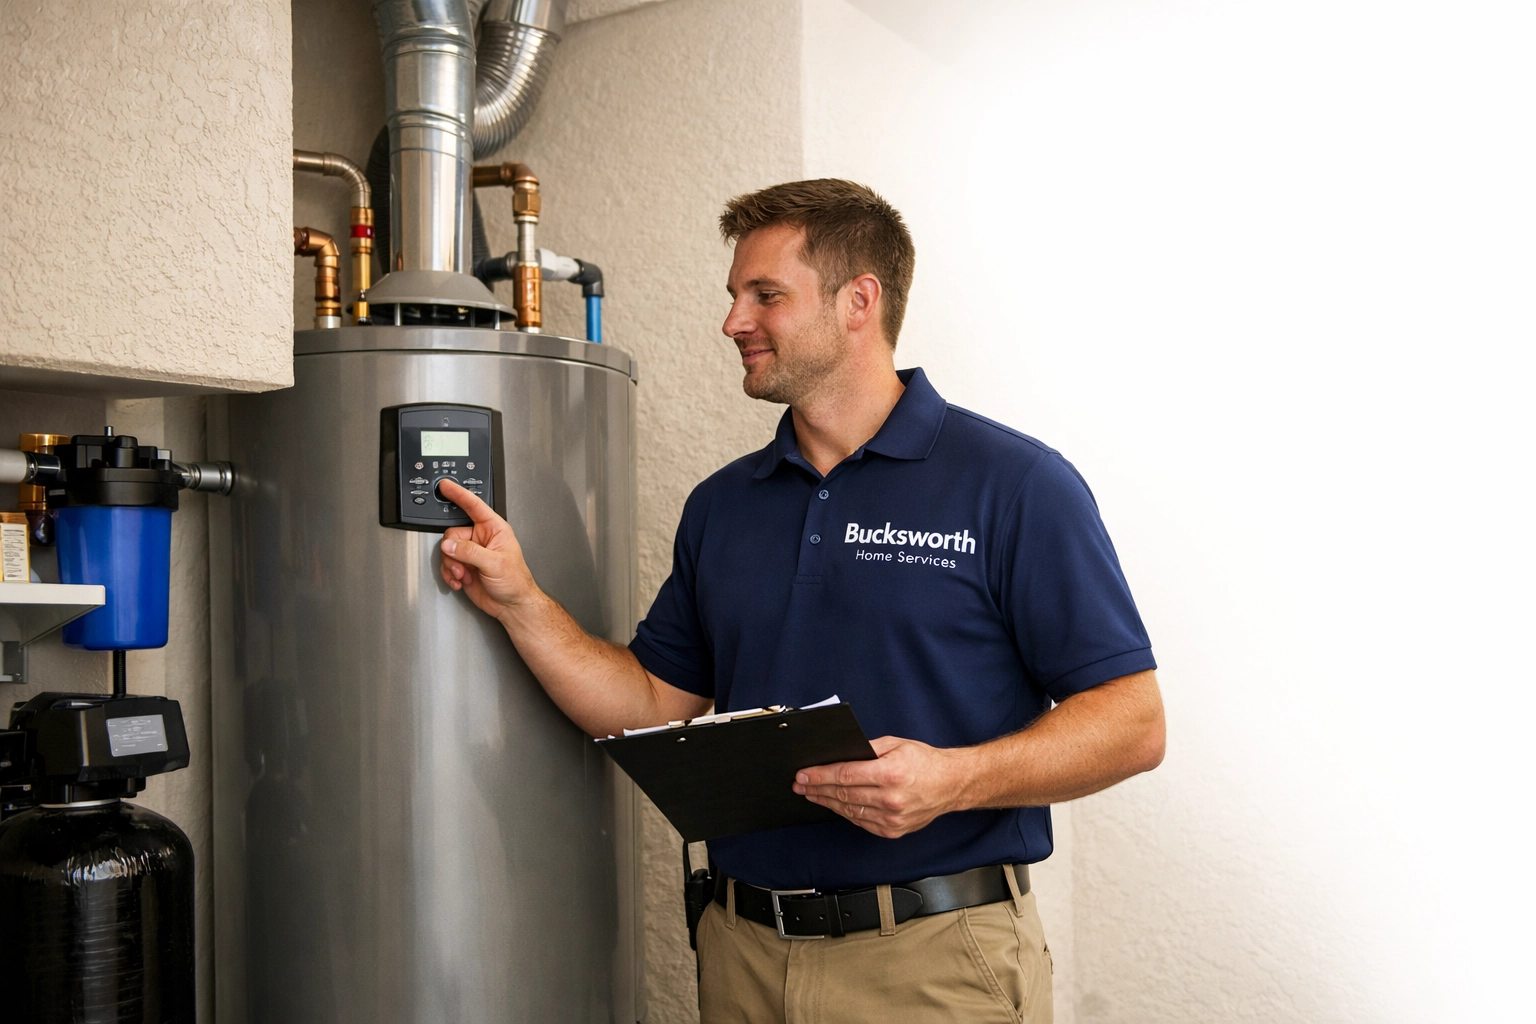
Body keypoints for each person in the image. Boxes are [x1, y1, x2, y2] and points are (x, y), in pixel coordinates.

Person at [436, 178, 1165, 1024]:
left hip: (932, 962)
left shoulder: (1016, 485)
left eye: (765, 295)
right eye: (734, 295)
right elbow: (649, 702)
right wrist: (522, 601)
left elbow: (1133, 722)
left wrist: (951, 780)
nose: (733, 321)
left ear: (860, 302)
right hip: (744, 955)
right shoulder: (723, 506)